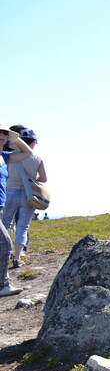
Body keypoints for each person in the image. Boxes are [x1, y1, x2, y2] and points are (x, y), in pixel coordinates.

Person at [2, 126, 46, 269]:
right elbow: (43, 179)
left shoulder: (8, 156)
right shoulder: (37, 158)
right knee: (23, 226)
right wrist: (32, 178)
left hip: (9, 192)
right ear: (33, 142)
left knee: (6, 225)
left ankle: (4, 253)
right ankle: (17, 256)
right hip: (29, 194)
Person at [0, 122, 33, 295]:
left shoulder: (5, 156)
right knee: (5, 243)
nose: (1, 135)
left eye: (4, 133)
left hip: (1, 207)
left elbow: (28, 153)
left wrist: (15, 138)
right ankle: (3, 285)